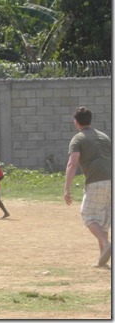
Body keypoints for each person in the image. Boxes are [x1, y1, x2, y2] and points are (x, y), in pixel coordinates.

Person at [64, 106, 112, 267]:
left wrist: (67, 189)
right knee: (103, 220)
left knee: (88, 215)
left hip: (96, 181)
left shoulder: (78, 139)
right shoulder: (104, 137)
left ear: (76, 122)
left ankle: (106, 243)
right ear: (90, 120)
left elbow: (72, 164)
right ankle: (102, 260)